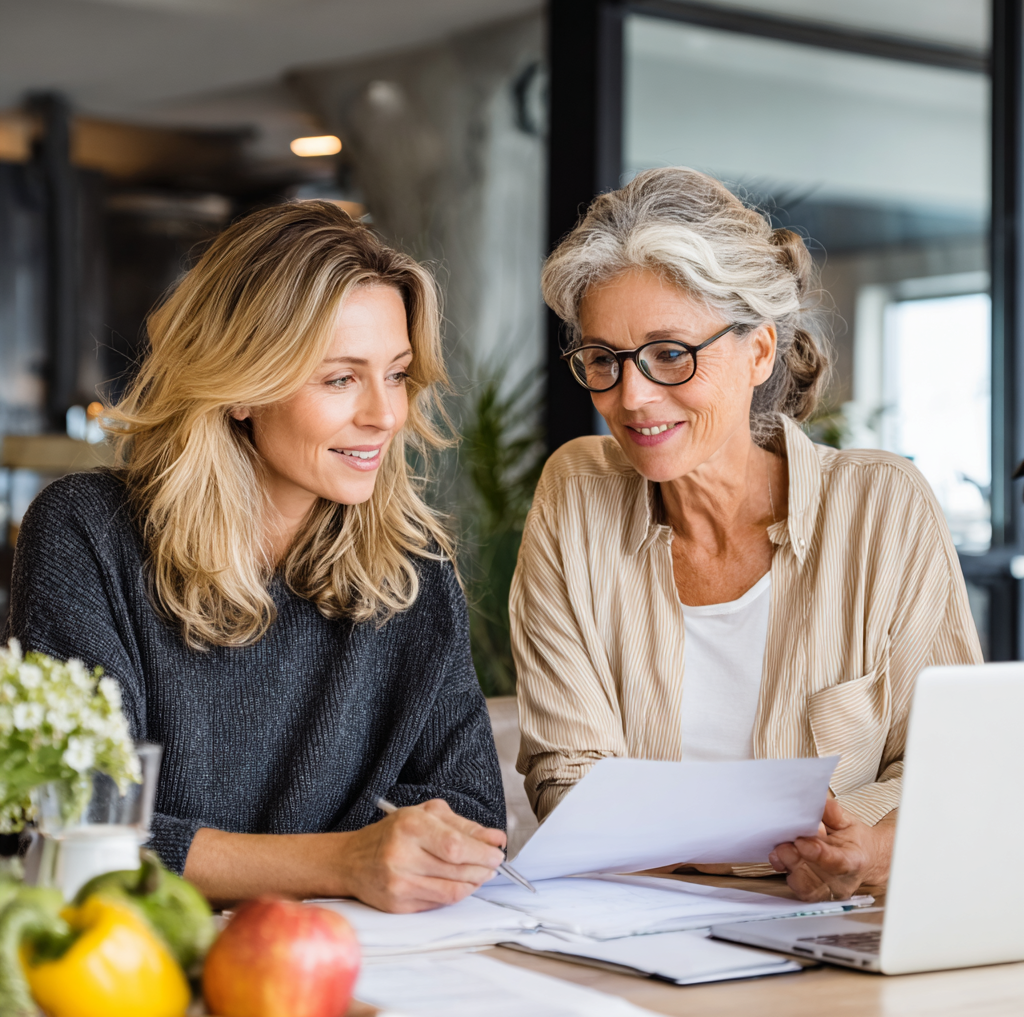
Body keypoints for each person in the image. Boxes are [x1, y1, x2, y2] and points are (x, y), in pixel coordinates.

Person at [7, 201, 506, 913]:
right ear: (243, 385)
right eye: (340, 379)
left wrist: (393, 857)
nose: (386, 415)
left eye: (396, 374)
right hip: (136, 962)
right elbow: (77, 826)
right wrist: (343, 860)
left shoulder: (412, 565)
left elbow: (471, 814)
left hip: (364, 963)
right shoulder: (88, 533)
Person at [511, 167, 982, 903]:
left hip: (828, 922)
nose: (631, 398)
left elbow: (952, 772)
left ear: (759, 351)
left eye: (671, 353)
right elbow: (570, 779)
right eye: (605, 359)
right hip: (637, 923)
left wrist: (872, 851)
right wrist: (781, 841)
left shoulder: (881, 508)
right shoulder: (576, 494)